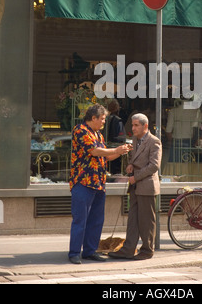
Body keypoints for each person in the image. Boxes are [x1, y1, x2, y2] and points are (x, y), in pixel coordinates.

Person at [68, 104, 131, 264]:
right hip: (83, 182)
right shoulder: (80, 130)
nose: (104, 122)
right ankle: (74, 253)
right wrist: (116, 149)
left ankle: (90, 251)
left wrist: (120, 151)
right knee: (80, 220)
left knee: (96, 220)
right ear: (93, 118)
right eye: (102, 119)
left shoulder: (98, 134)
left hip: (98, 182)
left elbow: (106, 157)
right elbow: (94, 151)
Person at [108, 113, 162, 260]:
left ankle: (147, 249)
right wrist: (130, 165)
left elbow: (154, 166)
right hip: (135, 186)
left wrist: (135, 177)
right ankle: (128, 248)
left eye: (136, 125)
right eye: (132, 125)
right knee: (133, 219)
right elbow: (134, 158)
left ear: (145, 126)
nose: (133, 128)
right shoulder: (135, 139)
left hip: (146, 186)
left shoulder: (154, 141)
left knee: (146, 220)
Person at [103, 99, 126, 174]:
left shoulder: (105, 120)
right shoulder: (117, 120)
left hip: (107, 149)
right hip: (116, 149)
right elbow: (121, 136)